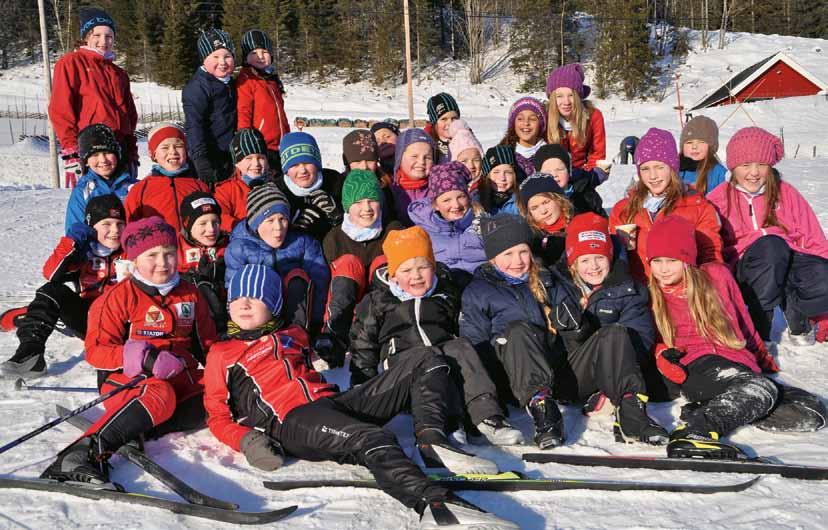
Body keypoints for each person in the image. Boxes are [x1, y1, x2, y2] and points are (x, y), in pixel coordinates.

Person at [204, 264, 518, 530]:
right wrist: (247, 441)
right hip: (294, 421)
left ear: (273, 304)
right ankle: (436, 505)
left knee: (425, 357)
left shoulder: (294, 336)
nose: (245, 304)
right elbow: (217, 415)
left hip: (333, 404)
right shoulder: (222, 353)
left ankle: (432, 442)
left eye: (256, 298)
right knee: (372, 438)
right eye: (238, 298)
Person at [40, 216, 217, 484]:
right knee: (160, 393)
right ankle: (80, 454)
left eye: (169, 253)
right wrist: (145, 358)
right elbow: (96, 351)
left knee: (224, 391)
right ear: (134, 259)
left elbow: (209, 346)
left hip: (180, 377)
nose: (163, 263)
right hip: (127, 381)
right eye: (152, 255)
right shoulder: (116, 297)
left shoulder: (190, 293)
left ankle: (138, 427)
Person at [645, 215, 824, 459]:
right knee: (761, 390)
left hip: (736, 363)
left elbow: (744, 321)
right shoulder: (651, 296)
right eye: (657, 261)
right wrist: (661, 354)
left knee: (813, 412)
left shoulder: (716, 276)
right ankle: (698, 431)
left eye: (671, 260)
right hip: (697, 368)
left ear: (687, 259)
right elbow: (648, 340)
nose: (663, 269)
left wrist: (760, 360)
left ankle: (720, 407)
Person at [349, 226, 524, 445]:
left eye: (423, 267)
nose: (416, 276)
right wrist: (361, 387)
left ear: (433, 266)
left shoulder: (446, 293)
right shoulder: (378, 301)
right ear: (393, 274)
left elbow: (467, 325)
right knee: (429, 355)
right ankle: (450, 421)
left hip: (446, 364)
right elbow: (363, 344)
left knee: (459, 346)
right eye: (406, 270)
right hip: (402, 371)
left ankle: (487, 416)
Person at [707, 127, 828, 344]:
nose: (754, 172)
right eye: (746, 165)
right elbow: (710, 248)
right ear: (733, 167)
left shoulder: (785, 192)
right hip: (746, 268)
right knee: (772, 247)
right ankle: (759, 325)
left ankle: (798, 312)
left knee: (819, 269)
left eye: (761, 165)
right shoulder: (719, 199)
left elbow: (815, 240)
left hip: (786, 258)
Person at [0, 195, 126, 379]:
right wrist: (72, 242)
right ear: (91, 226)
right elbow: (51, 274)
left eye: (120, 224)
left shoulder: (131, 252)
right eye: (106, 224)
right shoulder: (83, 252)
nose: (114, 230)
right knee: (50, 292)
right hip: (88, 321)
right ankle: (30, 354)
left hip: (121, 324)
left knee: (44, 311)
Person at [558, 213, 671, 405]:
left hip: (617, 369)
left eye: (599, 258)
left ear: (610, 258)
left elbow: (642, 341)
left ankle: (628, 407)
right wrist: (574, 333)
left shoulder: (628, 290)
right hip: (573, 373)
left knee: (615, 333)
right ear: (573, 265)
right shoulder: (561, 289)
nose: (593, 266)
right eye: (584, 260)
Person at [609, 127, 722, 284]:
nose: (653, 176)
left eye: (659, 167)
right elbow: (615, 258)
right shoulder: (623, 209)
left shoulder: (698, 207)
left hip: (682, 292)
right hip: (639, 294)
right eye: (645, 169)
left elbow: (711, 257)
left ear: (673, 168)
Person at [318, 170, 403, 365]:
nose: (366, 208)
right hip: (346, 307)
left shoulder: (392, 230)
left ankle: (389, 334)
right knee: (348, 263)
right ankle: (334, 336)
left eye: (371, 200)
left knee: (382, 262)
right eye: (357, 202)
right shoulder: (335, 238)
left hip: (379, 307)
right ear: (348, 206)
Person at [224, 182, 329, 334]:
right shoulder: (239, 248)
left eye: (283, 219)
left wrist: (317, 323)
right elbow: (233, 292)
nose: (278, 227)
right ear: (256, 224)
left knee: (297, 278)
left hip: (296, 315)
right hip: (258, 316)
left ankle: (298, 333)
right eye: (270, 220)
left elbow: (320, 283)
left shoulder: (303, 242)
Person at [50, 7, 138, 187]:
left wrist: (132, 153)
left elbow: (129, 117)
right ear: (86, 37)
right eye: (96, 35)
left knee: (122, 209)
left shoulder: (119, 73)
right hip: (91, 152)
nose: (103, 41)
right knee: (93, 207)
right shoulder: (71, 63)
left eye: (109, 36)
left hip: (118, 152)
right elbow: (61, 109)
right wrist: (71, 152)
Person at [408, 162, 487, 286]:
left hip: (481, 289)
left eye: (461, 197)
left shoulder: (483, 223)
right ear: (435, 205)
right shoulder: (423, 233)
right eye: (446, 200)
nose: (456, 205)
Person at [124, 123, 209, 231]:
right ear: (153, 154)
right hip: (157, 246)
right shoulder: (141, 190)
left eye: (178, 146)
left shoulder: (199, 187)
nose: (173, 152)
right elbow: (130, 228)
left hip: (192, 247)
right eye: (165, 147)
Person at [183, 29, 238, 186]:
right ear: (204, 59)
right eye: (215, 56)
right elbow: (194, 125)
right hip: (210, 156)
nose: (222, 62)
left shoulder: (230, 83)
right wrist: (200, 159)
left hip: (229, 155)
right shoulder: (198, 87)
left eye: (227, 56)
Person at [64, 123, 137, 234]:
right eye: (95, 155)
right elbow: (74, 229)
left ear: (117, 155)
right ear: (86, 161)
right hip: (96, 249)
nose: (103, 160)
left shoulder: (133, 187)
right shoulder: (82, 192)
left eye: (107, 152)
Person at [545, 63, 607, 184]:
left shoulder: (593, 116)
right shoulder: (545, 118)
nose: (566, 102)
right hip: (552, 179)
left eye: (571, 95)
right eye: (559, 96)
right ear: (552, 98)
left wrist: (586, 177)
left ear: (578, 96)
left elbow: (597, 153)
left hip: (583, 176)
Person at [236, 29, 290, 170]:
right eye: (254, 53)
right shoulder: (247, 81)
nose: (260, 56)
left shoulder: (271, 79)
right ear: (245, 57)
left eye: (264, 52)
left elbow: (280, 113)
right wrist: (247, 142)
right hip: (262, 147)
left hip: (281, 145)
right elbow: (243, 112)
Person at [177, 191, 229, 333]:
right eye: (203, 223)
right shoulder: (176, 247)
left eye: (215, 222)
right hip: (189, 315)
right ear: (188, 225)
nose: (211, 229)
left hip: (225, 314)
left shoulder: (229, 245)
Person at [276, 132, 343, 241]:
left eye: (307, 163)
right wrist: (292, 229)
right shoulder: (277, 190)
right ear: (286, 170)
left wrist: (337, 216)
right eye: (294, 165)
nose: (302, 170)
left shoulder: (335, 182)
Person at [214, 128, 272, 232]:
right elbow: (220, 216)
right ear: (237, 163)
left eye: (260, 158)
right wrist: (245, 228)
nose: (256, 164)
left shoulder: (275, 185)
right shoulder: (227, 190)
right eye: (248, 158)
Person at [339, 129, 396, 224]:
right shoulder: (339, 185)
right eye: (357, 162)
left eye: (370, 161)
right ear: (347, 162)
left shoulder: (385, 185)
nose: (364, 167)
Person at [517, 172, 572, 267]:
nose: (543, 211)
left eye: (546, 202)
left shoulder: (578, 225)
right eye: (534, 208)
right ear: (529, 213)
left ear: (558, 199)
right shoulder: (530, 238)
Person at [533, 144, 604, 216]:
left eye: (559, 169)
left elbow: (600, 218)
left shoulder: (585, 193)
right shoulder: (536, 200)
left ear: (569, 171)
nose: (554, 175)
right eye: (547, 172)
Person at [391, 128, 435, 225]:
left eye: (427, 157)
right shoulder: (390, 188)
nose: (421, 162)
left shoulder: (438, 186)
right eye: (414, 156)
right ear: (400, 157)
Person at [499, 96, 547, 177]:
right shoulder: (502, 153)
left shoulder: (550, 152)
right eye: (520, 119)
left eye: (532, 119)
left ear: (540, 124)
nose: (526, 123)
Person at [679, 116, 728, 195]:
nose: (694, 147)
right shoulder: (675, 171)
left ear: (711, 146)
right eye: (689, 142)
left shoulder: (719, 173)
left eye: (701, 142)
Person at [477, 146, 521, 216]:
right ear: (487, 175)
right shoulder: (477, 200)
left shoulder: (521, 200)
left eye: (508, 172)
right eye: (496, 172)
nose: (502, 178)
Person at [448, 121, 484, 191]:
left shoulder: (486, 185)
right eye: (464, 161)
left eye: (476, 160)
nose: (471, 166)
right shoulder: (450, 187)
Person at [425, 93, 461, 163]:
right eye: (444, 119)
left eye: (454, 118)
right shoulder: (427, 144)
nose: (450, 123)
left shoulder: (467, 139)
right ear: (434, 123)